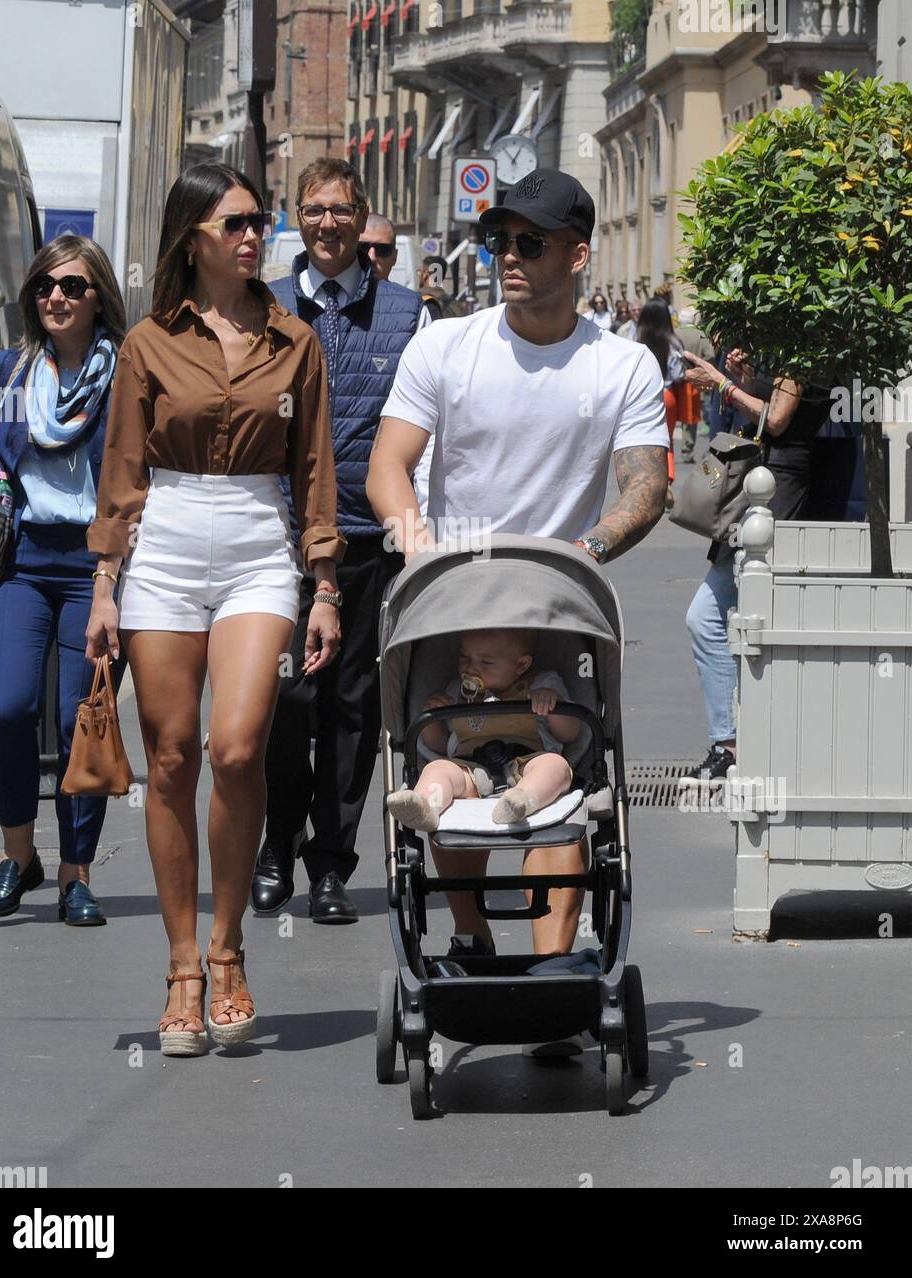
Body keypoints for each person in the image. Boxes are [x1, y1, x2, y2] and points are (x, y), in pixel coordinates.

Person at [367, 166, 669, 1015]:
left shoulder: (620, 366)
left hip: (554, 602)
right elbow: (387, 465)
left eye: (529, 243)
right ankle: (468, 937)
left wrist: (586, 550)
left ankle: (551, 973)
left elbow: (645, 487)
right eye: (500, 239)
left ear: (577, 256)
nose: (508, 256)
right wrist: (418, 547)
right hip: (452, 597)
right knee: (444, 751)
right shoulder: (444, 345)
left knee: (562, 779)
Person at [85, 162, 344, 1056]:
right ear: (191, 235)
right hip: (165, 537)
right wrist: (105, 586)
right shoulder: (150, 342)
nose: (250, 237)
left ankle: (230, 948)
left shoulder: (294, 339)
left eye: (256, 222)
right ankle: (184, 966)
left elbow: (315, 473)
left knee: (237, 746)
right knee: (171, 754)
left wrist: (325, 587)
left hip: (255, 542)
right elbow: (121, 472)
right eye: (233, 223)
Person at [252, 158, 428, 925]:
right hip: (281, 539)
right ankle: (275, 842)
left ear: (362, 221)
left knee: (353, 709)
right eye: (314, 210)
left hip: (368, 540)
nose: (328, 224)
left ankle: (331, 864)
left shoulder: (407, 313)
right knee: (285, 701)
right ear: (298, 218)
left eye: (342, 211)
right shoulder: (265, 306)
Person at [0, 236, 126, 926]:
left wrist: (113, 577)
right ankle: (17, 856)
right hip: (20, 565)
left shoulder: (125, 377)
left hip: (96, 569)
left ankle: (74, 873)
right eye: (44, 287)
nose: (55, 297)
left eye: (72, 286)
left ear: (98, 299)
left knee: (79, 720)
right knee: (6, 709)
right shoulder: (9, 372)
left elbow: (138, 478)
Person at [679, 346, 831, 786]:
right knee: (720, 617)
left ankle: (733, 746)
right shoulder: (784, 341)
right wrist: (744, 378)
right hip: (761, 483)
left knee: (719, 616)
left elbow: (779, 420)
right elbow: (771, 408)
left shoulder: (800, 345)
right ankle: (733, 743)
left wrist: (725, 386)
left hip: (776, 488)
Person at [387, 628, 579, 831]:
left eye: (485, 662)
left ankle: (523, 799)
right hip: (469, 769)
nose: (470, 668)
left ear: (521, 665)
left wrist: (552, 706)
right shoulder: (457, 692)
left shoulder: (542, 684)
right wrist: (432, 717)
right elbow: (440, 744)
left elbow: (570, 733)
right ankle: (426, 806)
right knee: (436, 769)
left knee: (555, 766)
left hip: (525, 764)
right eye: (464, 656)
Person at [636, 297, 684, 506]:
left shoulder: (637, 340)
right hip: (668, 394)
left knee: (645, 439)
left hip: (644, 395)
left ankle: (649, 484)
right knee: (668, 441)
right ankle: (668, 483)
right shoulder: (673, 342)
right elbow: (679, 373)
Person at [672, 308, 712, 462]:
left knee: (673, 415)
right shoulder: (700, 334)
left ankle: (669, 450)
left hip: (674, 381)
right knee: (690, 417)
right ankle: (687, 449)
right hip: (693, 381)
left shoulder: (674, 333)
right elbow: (709, 355)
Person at [359, 212, 400, 283]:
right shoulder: (336, 293)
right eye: (363, 248)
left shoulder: (407, 294)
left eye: (382, 249)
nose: (371, 258)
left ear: (394, 257)